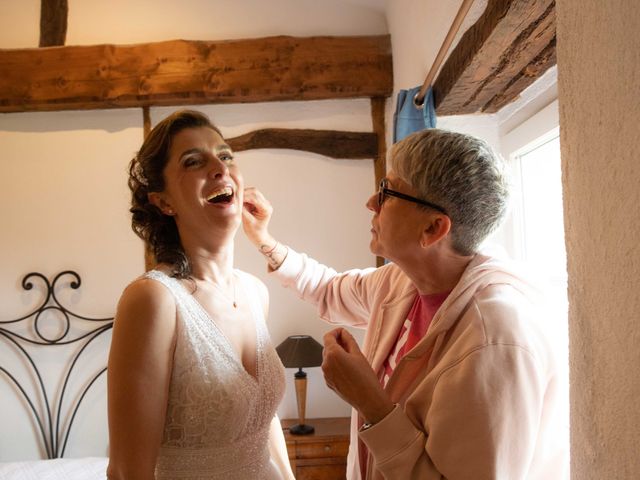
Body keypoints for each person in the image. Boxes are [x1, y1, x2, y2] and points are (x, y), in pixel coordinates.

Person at [242, 128, 568, 480]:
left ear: (433, 229)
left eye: (387, 192)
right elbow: (329, 289)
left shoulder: (496, 342)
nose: (371, 203)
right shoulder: (402, 281)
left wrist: (371, 403)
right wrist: (264, 240)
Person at [107, 110, 294, 480]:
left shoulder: (255, 292)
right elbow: (129, 471)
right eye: (194, 162)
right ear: (163, 202)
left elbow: (261, 421)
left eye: (225, 156)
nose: (219, 168)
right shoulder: (153, 301)